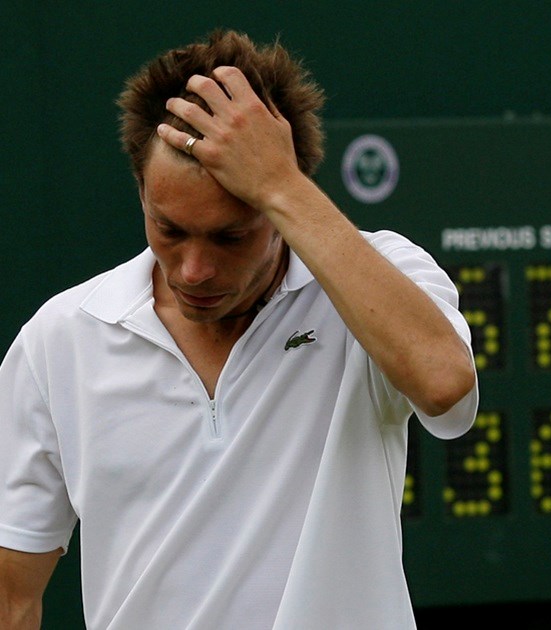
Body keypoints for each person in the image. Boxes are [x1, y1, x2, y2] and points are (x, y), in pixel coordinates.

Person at [0, 29, 478, 629]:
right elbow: (11, 594)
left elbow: (444, 383)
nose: (194, 270)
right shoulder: (58, 339)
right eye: (169, 229)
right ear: (140, 192)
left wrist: (280, 184)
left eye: (231, 235)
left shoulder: (379, 276)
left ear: (282, 204)